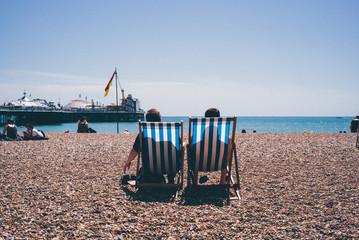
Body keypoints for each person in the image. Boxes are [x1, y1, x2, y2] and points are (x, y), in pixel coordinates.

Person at [123, 108, 174, 183]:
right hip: (170, 167)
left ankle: (152, 177)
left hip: (149, 167)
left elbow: (134, 151)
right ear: (160, 120)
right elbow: (178, 148)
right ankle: (170, 178)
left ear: (147, 122)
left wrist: (128, 162)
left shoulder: (143, 134)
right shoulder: (170, 133)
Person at [192, 108, 233, 185]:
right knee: (229, 141)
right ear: (219, 117)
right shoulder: (223, 135)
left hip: (199, 163)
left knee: (193, 146)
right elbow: (228, 142)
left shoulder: (199, 133)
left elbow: (192, 146)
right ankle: (222, 181)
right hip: (220, 163)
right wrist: (226, 160)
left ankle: (195, 181)